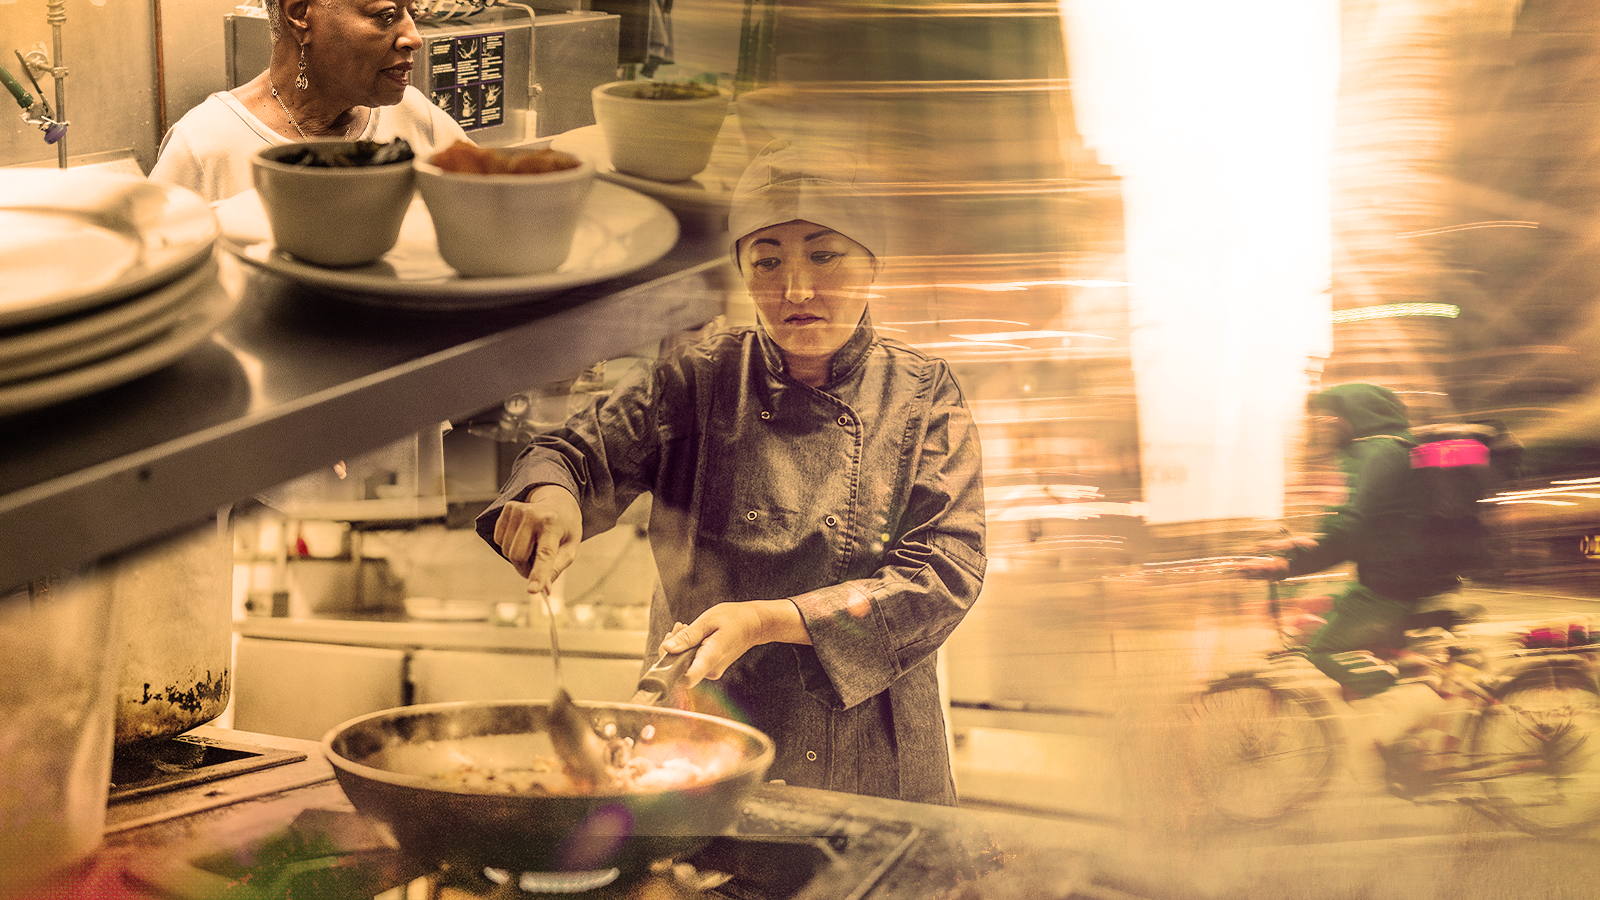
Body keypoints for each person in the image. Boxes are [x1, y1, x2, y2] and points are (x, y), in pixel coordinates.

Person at [476, 142, 987, 806]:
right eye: (767, 260)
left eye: (824, 255)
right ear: (744, 270)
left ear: (873, 263)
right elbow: (572, 453)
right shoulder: (697, 376)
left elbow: (947, 571)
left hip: (869, 757)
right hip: (702, 736)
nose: (795, 290)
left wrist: (769, 619)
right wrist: (554, 499)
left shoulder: (922, 392)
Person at [1241, 384, 1457, 768]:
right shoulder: (1388, 450)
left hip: (1391, 586)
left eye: (1333, 414)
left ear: (1358, 413)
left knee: (1323, 648)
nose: (1328, 422)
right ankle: (1409, 731)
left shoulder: (1378, 453)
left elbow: (1351, 528)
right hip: (1387, 578)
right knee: (1325, 625)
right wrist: (1301, 550)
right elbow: (1361, 527)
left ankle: (1413, 702)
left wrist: (1289, 565)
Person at [149, 0, 469, 202]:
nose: (414, 38)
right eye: (386, 15)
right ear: (300, 14)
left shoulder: (415, 115)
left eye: (413, 14)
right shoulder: (205, 146)